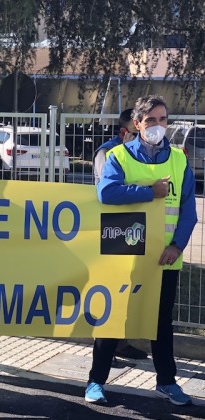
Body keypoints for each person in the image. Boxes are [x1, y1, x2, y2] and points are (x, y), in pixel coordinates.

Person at [87, 95, 197, 406]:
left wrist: (177, 246)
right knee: (112, 320)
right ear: (137, 124)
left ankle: (166, 382)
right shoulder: (119, 156)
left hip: (164, 259)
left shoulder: (178, 159)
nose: (158, 126)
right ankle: (96, 380)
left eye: (163, 120)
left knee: (160, 322)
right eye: (151, 121)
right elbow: (106, 192)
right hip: (123, 254)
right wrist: (150, 192)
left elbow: (188, 210)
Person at [93, 108, 148, 361]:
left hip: (136, 227)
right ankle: (106, 350)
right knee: (110, 290)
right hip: (111, 227)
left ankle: (121, 343)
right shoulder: (109, 152)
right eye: (135, 131)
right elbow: (107, 190)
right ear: (123, 131)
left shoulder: (143, 154)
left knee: (127, 290)